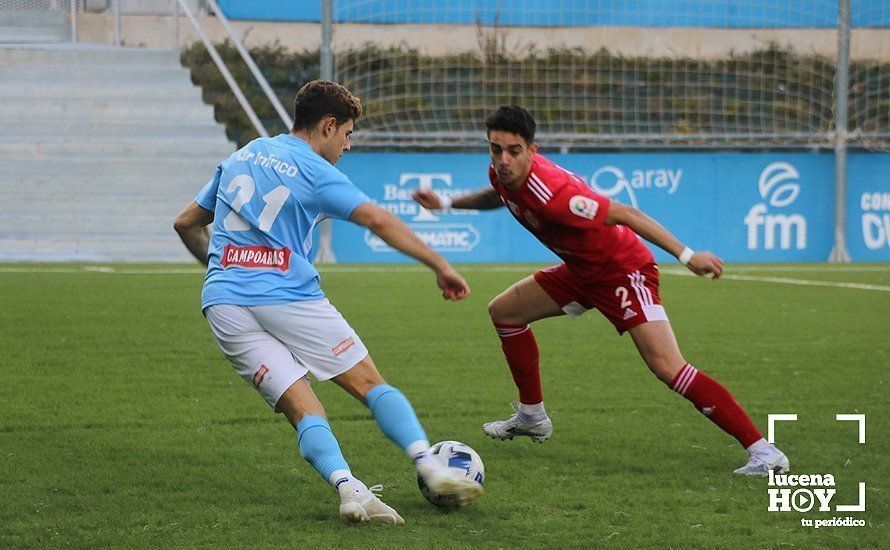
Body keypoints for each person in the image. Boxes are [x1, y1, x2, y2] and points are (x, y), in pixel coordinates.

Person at [412, 105, 788, 476]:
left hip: (623, 271)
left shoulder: (556, 195)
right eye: (496, 149)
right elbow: (497, 194)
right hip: (581, 271)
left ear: (532, 150)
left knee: (668, 367)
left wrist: (688, 256)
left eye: (514, 151)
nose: (503, 160)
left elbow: (628, 214)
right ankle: (531, 416)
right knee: (505, 312)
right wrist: (446, 203)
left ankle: (764, 451)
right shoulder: (501, 173)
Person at [173, 80, 482, 525]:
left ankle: (348, 489)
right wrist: (440, 265)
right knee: (369, 384)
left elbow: (185, 222)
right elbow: (376, 218)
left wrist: (222, 267)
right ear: (328, 125)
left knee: (302, 409)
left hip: (223, 303)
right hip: (288, 295)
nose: (348, 145)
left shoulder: (242, 154)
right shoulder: (315, 170)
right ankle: (431, 468)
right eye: (348, 133)